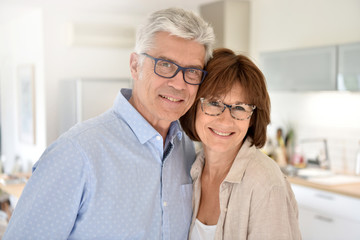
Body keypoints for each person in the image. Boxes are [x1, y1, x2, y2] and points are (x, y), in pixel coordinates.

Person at [3, 8, 215, 240]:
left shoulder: (188, 150)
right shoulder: (75, 154)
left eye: (192, 71)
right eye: (165, 65)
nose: (178, 84)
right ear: (135, 66)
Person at [180, 48, 302, 239]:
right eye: (213, 103)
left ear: (252, 118)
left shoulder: (265, 184)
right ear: (194, 107)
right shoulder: (190, 170)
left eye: (239, 107)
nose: (225, 120)